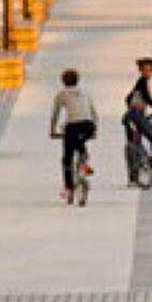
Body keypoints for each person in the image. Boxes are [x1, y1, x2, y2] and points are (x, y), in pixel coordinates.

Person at [49, 68, 96, 202]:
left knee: (67, 158)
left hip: (73, 126)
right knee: (79, 141)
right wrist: (95, 130)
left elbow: (55, 115)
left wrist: (52, 130)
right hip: (88, 125)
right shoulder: (86, 92)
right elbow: (94, 113)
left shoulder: (61, 94)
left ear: (63, 81)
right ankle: (84, 161)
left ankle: (68, 188)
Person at [122, 57, 152, 174]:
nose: (147, 73)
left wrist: (134, 108)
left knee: (134, 143)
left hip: (129, 117)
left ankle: (135, 175)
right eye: (145, 70)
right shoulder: (142, 82)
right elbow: (148, 98)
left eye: (149, 70)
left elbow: (128, 98)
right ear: (141, 71)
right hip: (136, 116)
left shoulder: (138, 84)